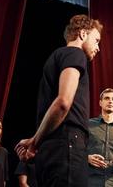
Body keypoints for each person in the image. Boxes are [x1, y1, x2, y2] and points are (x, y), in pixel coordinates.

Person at [14, 14, 103, 187]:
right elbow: (63, 102)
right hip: (67, 146)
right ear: (83, 34)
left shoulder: (56, 57)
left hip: (52, 150)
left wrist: (36, 140)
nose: (98, 47)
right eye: (97, 40)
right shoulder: (75, 53)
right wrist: (34, 143)